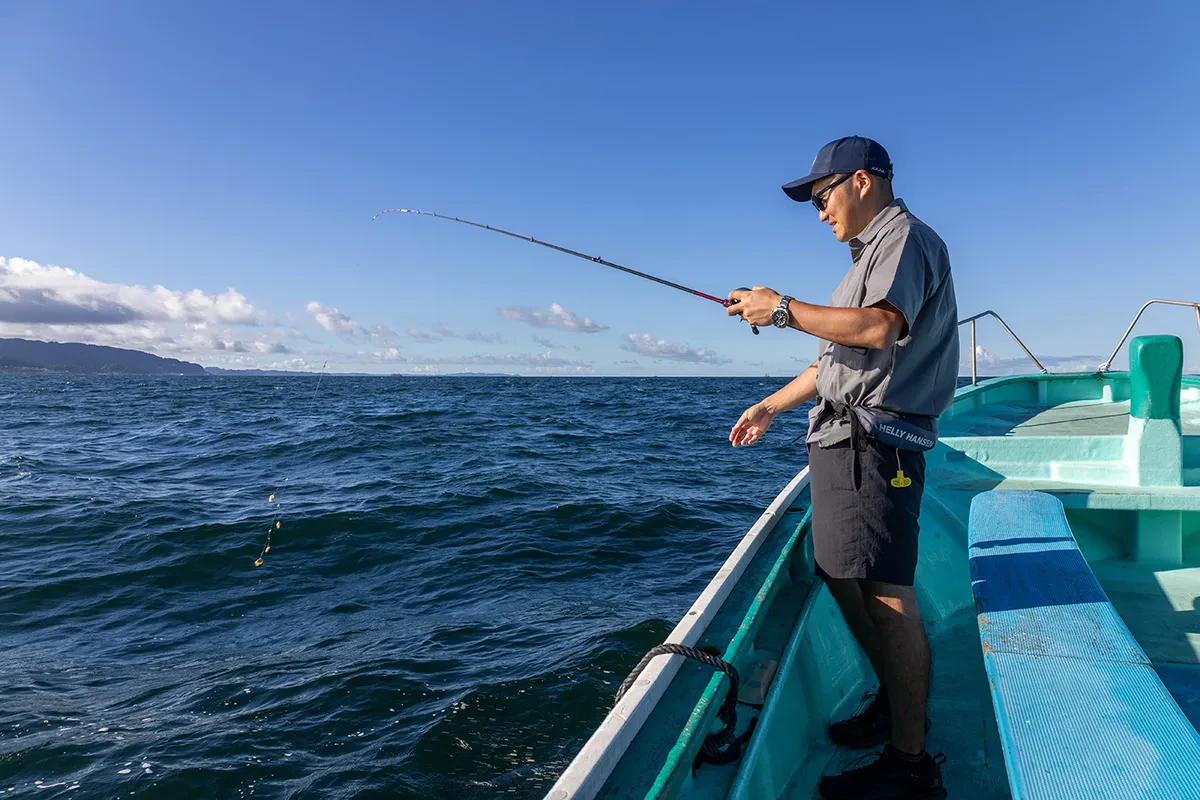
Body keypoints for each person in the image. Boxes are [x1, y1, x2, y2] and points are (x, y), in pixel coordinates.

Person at [725, 136, 958, 800]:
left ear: (861, 182)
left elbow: (879, 329)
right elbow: (837, 352)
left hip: (872, 444)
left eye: (823, 196)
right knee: (838, 572)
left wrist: (782, 310)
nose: (820, 212)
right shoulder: (864, 259)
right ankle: (896, 699)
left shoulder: (903, 239)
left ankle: (910, 767)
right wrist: (770, 406)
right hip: (842, 442)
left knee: (887, 596)